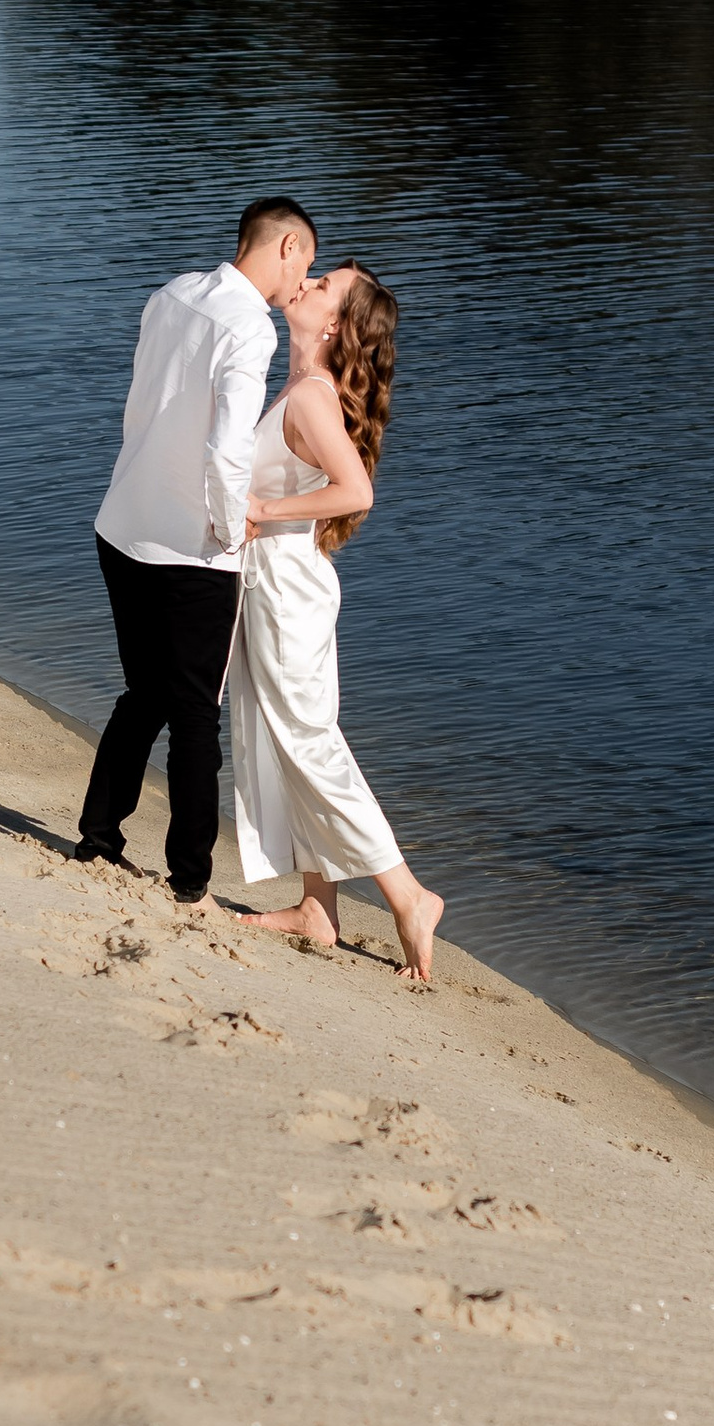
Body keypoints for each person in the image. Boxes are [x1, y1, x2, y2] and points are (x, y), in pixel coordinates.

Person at [76, 196, 319, 905]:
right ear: (284, 247)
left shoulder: (172, 293)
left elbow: (142, 407)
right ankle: (190, 883)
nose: (302, 281)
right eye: (304, 262)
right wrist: (227, 528)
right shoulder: (251, 329)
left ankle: (98, 836)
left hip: (123, 523)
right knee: (192, 715)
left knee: (143, 694)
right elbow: (228, 445)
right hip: (189, 547)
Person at [229, 260, 445, 988]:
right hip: (275, 587)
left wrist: (262, 512)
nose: (308, 281)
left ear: (335, 325)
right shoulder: (297, 386)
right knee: (286, 741)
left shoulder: (314, 397)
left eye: (323, 286)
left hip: (288, 590)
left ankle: (409, 896)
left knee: (312, 745)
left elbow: (355, 490)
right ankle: (318, 908)